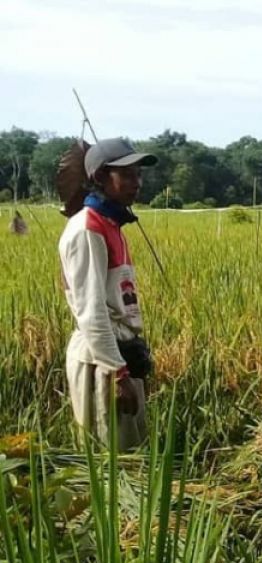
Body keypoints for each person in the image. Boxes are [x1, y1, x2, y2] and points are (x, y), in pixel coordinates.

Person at [58, 138, 158, 451]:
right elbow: (91, 311)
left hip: (117, 357)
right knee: (112, 469)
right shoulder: (88, 229)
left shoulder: (109, 224)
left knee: (132, 460)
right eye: (126, 175)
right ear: (100, 177)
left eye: (138, 174)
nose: (137, 183)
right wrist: (118, 375)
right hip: (101, 364)